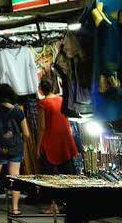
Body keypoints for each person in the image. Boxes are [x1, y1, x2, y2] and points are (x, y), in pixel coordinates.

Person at [0, 83, 30, 214]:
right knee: (15, 177)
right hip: (15, 147)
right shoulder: (19, 110)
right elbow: (26, 133)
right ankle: (15, 208)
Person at [37, 78, 79, 214]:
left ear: (41, 89)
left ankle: (53, 204)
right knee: (68, 174)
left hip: (50, 141)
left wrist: (38, 146)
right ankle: (71, 203)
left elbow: (42, 127)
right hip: (65, 140)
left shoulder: (43, 103)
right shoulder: (61, 99)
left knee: (48, 176)